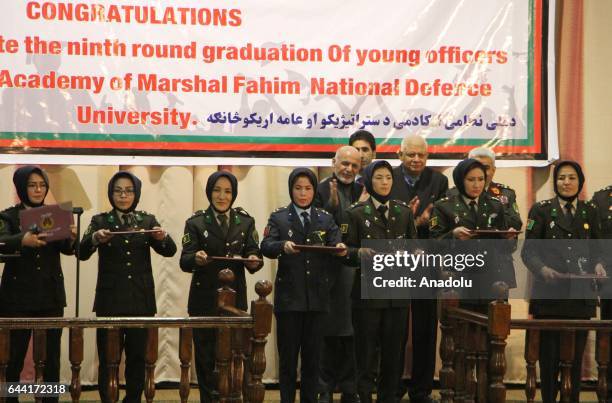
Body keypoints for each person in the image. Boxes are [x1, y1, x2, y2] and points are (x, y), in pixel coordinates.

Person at [80, 171, 177, 403]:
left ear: (136, 193)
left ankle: (133, 399)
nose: (123, 195)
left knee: (137, 358)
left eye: (129, 191)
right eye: (118, 191)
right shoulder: (100, 221)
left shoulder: (147, 220)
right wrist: (95, 238)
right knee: (108, 358)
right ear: (111, 194)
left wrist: (161, 236)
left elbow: (170, 250)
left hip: (140, 301)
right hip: (109, 301)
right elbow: (81, 251)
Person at [521, 161, 605, 403]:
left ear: (580, 182)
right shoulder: (541, 210)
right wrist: (543, 269)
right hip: (549, 294)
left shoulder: (590, 211)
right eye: (561, 178)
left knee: (575, 358)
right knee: (549, 358)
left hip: (581, 294)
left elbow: (599, 249)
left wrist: (599, 264)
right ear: (555, 182)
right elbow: (529, 252)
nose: (566, 182)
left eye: (571, 178)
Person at [261, 168, 346, 403]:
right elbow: (266, 245)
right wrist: (281, 246)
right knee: (288, 361)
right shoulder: (278, 217)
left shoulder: (324, 218)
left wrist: (339, 249)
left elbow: (336, 242)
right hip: (289, 301)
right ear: (291, 189)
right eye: (298, 188)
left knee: (312, 361)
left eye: (308, 188)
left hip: (318, 301)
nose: (303, 193)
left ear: (314, 190)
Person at [179, 171, 263, 403]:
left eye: (227, 191)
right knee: (206, 359)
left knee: (236, 357)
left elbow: (254, 254)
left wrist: (254, 259)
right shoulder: (195, 222)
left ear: (234, 194)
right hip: (204, 301)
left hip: (235, 303)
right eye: (217, 190)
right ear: (209, 192)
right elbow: (184, 260)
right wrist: (195, 257)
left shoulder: (246, 222)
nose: (222, 196)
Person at [0, 165, 76, 403]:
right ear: (22, 187)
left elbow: (68, 249)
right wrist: (21, 240)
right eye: (32, 185)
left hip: (50, 296)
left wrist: (72, 237)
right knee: (13, 358)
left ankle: (48, 400)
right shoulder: (8, 216)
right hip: (17, 299)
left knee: (50, 358)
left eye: (42, 185)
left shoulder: (54, 214)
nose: (38, 189)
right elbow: (1, 242)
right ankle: (10, 400)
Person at [345, 160, 417, 403]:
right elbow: (344, 251)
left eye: (388, 177)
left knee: (393, 354)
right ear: (368, 180)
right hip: (367, 295)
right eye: (378, 177)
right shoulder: (355, 213)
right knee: (365, 354)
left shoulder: (404, 212)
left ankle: (388, 398)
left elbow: (413, 246)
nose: (384, 182)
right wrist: (358, 254)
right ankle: (364, 396)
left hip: (397, 295)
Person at [389, 134, 447, 403]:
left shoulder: (439, 181)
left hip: (427, 262)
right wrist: (415, 220)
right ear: (399, 156)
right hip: (395, 263)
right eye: (410, 154)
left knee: (425, 327)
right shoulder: (387, 177)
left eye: (421, 155)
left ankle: (421, 389)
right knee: (394, 328)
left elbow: (441, 221)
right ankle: (392, 386)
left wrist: (427, 223)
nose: (415, 159)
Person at [429, 158, 517, 307]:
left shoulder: (495, 205)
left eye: (481, 179)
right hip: (459, 278)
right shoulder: (444, 206)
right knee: (459, 326)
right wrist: (453, 235)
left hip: (491, 278)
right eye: (471, 180)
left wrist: (508, 239)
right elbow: (433, 244)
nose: (477, 185)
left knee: (492, 326)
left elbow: (506, 249)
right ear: (460, 180)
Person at [314, 146, 363, 403]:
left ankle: (349, 388)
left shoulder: (362, 189)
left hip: (355, 270)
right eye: (344, 163)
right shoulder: (321, 189)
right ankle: (323, 388)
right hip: (328, 272)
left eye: (354, 166)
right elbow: (313, 228)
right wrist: (331, 209)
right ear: (334, 162)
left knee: (352, 332)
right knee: (327, 331)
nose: (348, 170)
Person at [447, 147, 523, 231]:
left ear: (493, 170)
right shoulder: (453, 193)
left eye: (485, 168)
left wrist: (495, 211)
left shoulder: (506, 193)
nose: (480, 172)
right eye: (475, 167)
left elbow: (516, 223)